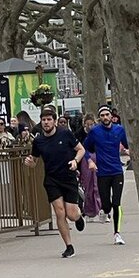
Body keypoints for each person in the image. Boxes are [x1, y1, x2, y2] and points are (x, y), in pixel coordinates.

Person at [24, 106, 85, 258]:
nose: (46, 123)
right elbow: (35, 161)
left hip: (68, 177)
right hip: (51, 180)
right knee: (59, 212)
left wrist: (75, 161)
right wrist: (30, 163)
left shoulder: (65, 134)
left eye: (49, 120)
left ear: (55, 122)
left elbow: (81, 150)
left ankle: (78, 217)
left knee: (71, 214)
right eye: (43, 120)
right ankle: (69, 246)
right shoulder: (38, 141)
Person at [84, 105, 130, 245]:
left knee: (116, 203)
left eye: (107, 114)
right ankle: (104, 210)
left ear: (111, 116)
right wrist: (90, 160)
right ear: (99, 118)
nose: (105, 117)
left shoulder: (119, 130)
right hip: (102, 173)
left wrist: (128, 151)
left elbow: (126, 145)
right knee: (107, 205)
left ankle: (117, 233)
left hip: (117, 171)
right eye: (102, 115)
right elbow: (85, 148)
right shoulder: (94, 132)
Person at [78, 113, 103, 222]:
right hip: (85, 161)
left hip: (98, 159)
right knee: (88, 187)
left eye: (91, 124)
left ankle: (101, 209)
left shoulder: (99, 133)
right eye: (87, 124)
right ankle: (89, 211)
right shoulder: (80, 134)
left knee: (98, 186)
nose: (89, 127)